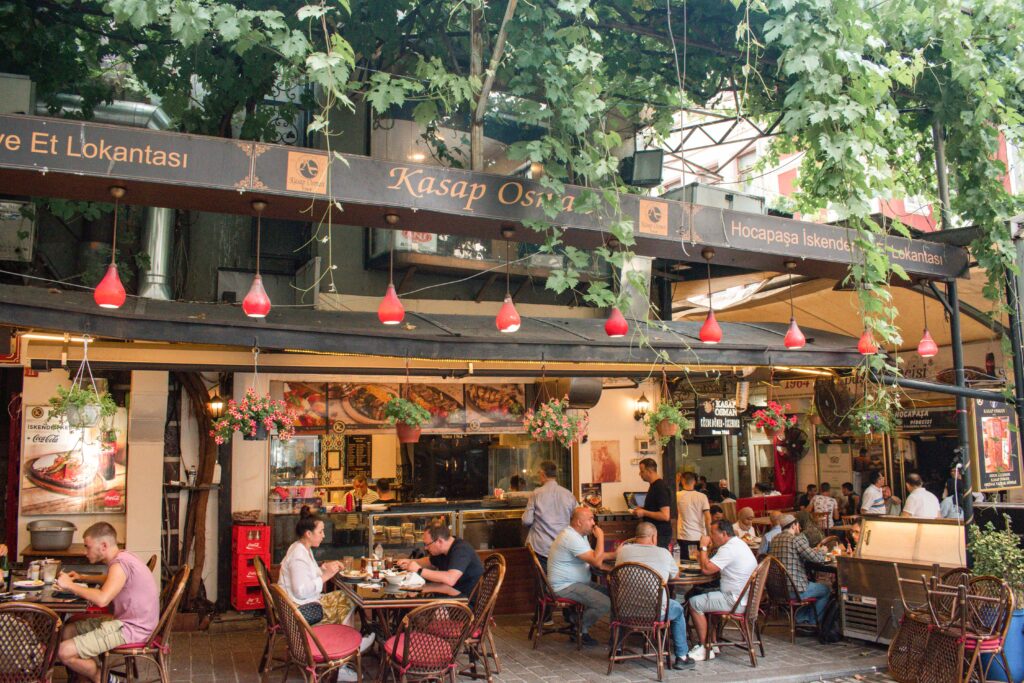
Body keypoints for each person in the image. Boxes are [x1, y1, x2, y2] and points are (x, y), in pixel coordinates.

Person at [56, 522, 160, 683]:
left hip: (132, 629)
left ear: (103, 545)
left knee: (64, 652)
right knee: (69, 630)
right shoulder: (124, 557)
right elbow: (111, 580)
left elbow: (102, 599)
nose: (85, 552)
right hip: (131, 622)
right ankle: (86, 677)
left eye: (87, 547)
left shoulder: (119, 565)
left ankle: (105, 679)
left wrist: (70, 585)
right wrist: (83, 578)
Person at [278, 507, 371, 682]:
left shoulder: (301, 548)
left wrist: (324, 568)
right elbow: (300, 589)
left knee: (347, 598)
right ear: (308, 533)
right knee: (346, 602)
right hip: (299, 610)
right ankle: (343, 660)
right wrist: (326, 576)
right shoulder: (299, 555)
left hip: (298, 604)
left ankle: (348, 650)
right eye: (320, 532)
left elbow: (308, 574)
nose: (323, 535)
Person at [615, 523, 696, 670]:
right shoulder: (664, 553)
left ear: (636, 536)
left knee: (619, 599)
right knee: (677, 609)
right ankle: (682, 656)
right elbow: (675, 575)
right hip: (656, 613)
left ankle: (617, 649)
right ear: (654, 537)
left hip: (625, 612)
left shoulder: (622, 552)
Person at [687, 519, 758, 661]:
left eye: (713, 533)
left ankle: (705, 648)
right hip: (743, 598)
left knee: (694, 602)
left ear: (724, 533)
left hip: (734, 600)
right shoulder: (737, 544)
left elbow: (706, 569)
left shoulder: (728, 549)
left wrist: (703, 547)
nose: (711, 536)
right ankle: (712, 643)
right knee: (702, 594)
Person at [547, 507, 615, 646]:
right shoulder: (570, 538)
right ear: (579, 522)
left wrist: (615, 554)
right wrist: (601, 537)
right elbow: (596, 561)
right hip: (565, 586)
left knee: (614, 594)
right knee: (605, 603)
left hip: (577, 583)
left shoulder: (579, 536)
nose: (593, 523)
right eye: (590, 519)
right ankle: (579, 627)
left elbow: (593, 556)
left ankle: (615, 636)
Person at [769, 514, 831, 624]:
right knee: (826, 590)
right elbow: (817, 558)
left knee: (813, 586)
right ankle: (812, 622)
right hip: (795, 590)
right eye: (798, 525)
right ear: (794, 526)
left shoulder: (774, 539)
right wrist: (822, 550)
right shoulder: (795, 540)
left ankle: (801, 617)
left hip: (777, 590)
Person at [398, 521, 483, 596]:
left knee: (416, 601)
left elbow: (450, 579)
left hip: (464, 602)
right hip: (449, 592)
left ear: (440, 541)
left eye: (427, 544)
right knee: (413, 592)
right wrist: (410, 561)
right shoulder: (443, 549)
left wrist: (419, 570)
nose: (426, 548)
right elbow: (429, 562)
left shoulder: (461, 550)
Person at [522, 460, 578, 568]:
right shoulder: (568, 494)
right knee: (558, 580)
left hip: (541, 548)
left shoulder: (536, 493)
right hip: (562, 547)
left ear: (543, 474)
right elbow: (578, 517)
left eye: (539, 473)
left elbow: (526, 521)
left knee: (543, 580)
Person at [633, 458, 673, 548]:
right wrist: (643, 509)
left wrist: (644, 512)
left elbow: (665, 515)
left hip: (660, 534)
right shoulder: (654, 486)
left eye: (642, 471)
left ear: (649, 471)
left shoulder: (660, 487)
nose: (640, 474)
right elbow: (656, 508)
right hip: (654, 533)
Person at [676, 472, 711, 559]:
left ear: (682, 481)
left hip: (684, 536)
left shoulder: (678, 495)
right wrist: (710, 536)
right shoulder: (702, 496)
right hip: (700, 537)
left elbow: (674, 492)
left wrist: (676, 482)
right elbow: (708, 518)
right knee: (700, 562)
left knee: (685, 564)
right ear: (695, 482)